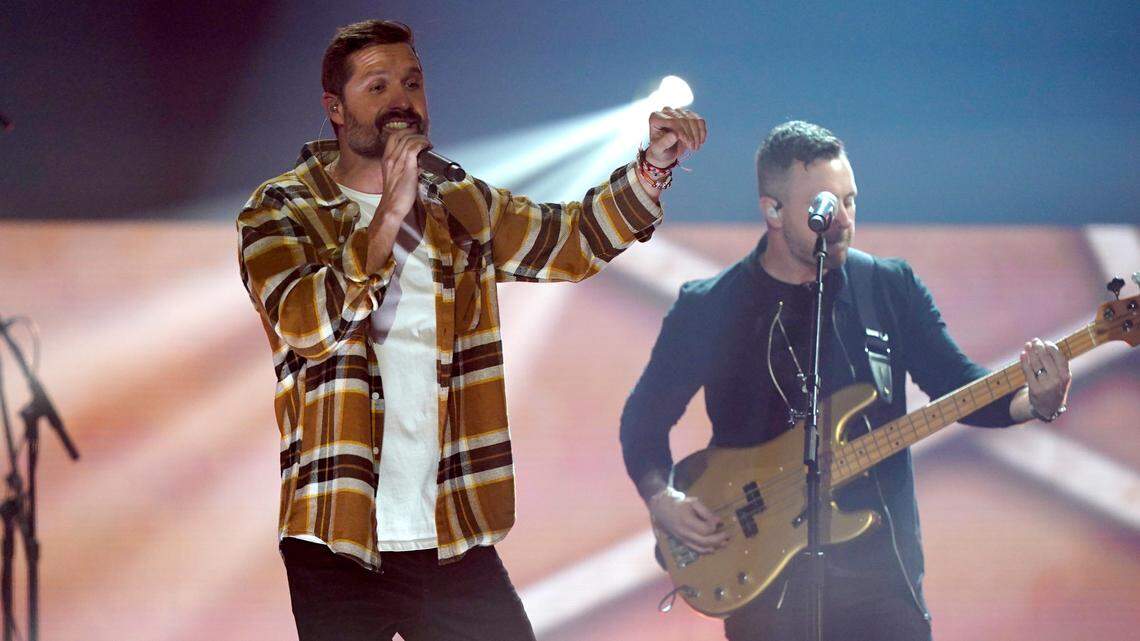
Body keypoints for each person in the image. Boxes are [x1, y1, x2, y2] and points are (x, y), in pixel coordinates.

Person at [236, 19, 706, 641]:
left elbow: (565, 242)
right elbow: (308, 323)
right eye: (377, 87)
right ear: (336, 111)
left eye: (412, 82)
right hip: (337, 537)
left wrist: (649, 170)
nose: (402, 100)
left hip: (450, 530)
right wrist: (389, 213)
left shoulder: (458, 201)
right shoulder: (281, 209)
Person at [618, 120, 1071, 641]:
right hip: (768, 586)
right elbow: (642, 421)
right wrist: (661, 498)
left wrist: (1034, 402)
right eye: (824, 211)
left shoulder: (888, 287)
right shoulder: (710, 307)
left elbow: (956, 385)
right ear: (773, 210)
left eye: (850, 202)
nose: (843, 223)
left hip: (882, 580)